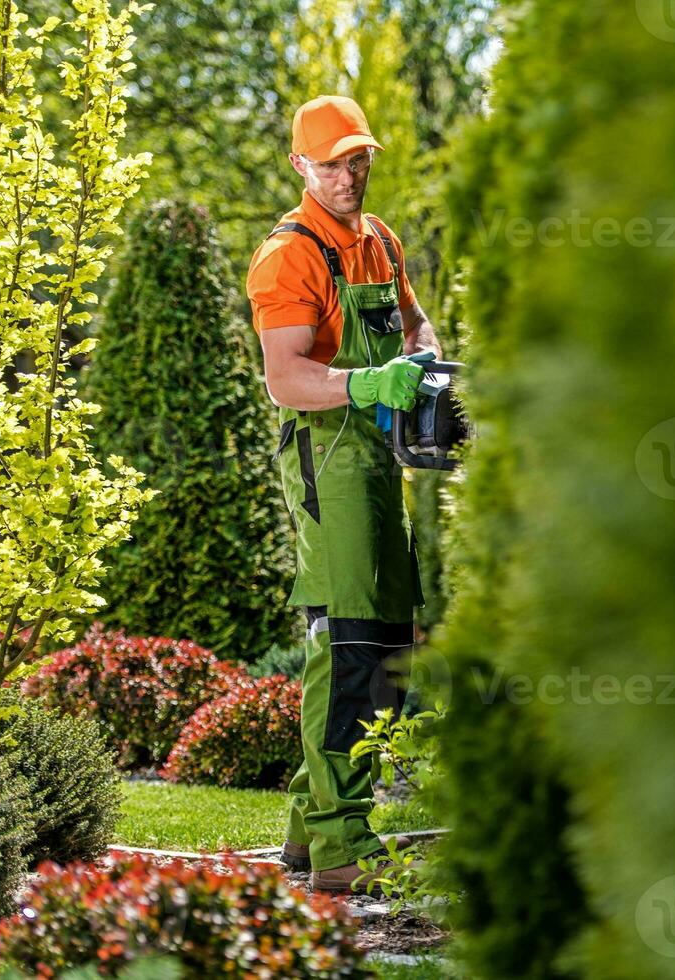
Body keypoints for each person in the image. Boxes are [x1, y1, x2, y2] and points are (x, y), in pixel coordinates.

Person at [245, 95, 440, 892]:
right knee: (352, 639)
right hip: (329, 460)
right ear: (300, 166)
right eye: (330, 163)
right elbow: (284, 378)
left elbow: (417, 323)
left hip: (380, 454)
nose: (348, 175)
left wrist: (421, 366)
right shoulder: (285, 257)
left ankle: (306, 830)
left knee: (390, 637)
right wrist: (368, 380)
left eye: (357, 158)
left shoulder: (381, 240)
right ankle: (338, 848)